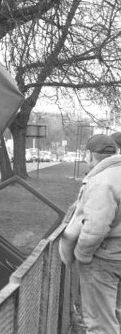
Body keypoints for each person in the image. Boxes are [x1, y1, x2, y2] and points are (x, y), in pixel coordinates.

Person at [59, 134, 121, 334]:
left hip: (104, 260)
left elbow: (95, 228)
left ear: (89, 155)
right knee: (116, 315)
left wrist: (82, 255)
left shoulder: (102, 181)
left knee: (101, 324)